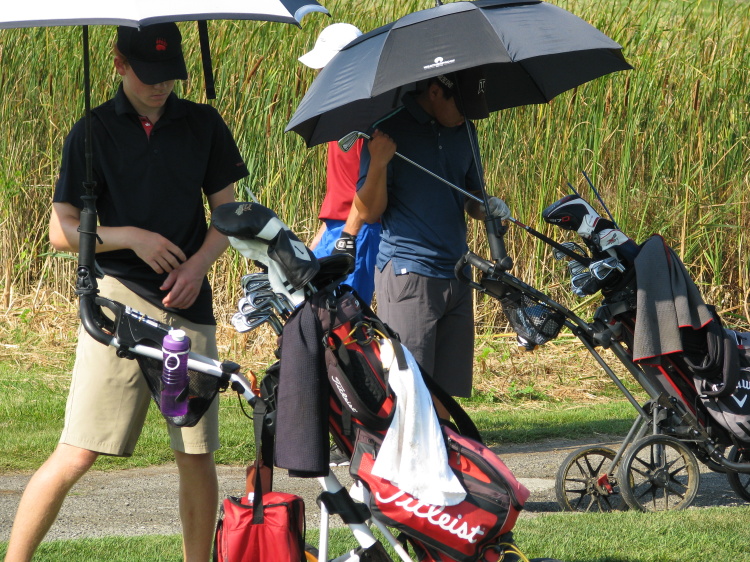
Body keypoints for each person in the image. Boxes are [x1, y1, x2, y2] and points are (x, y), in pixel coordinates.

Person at [4, 23, 248, 562]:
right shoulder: (90, 132)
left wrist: (198, 267)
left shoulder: (204, 124)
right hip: (116, 305)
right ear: (118, 63)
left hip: (188, 304)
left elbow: (229, 216)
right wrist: (131, 237)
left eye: (169, 75)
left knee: (196, 453)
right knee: (78, 451)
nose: (160, 86)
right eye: (148, 74)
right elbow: (61, 230)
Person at [355, 71, 510, 418]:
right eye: (462, 108)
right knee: (410, 389)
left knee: (445, 394)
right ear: (436, 91)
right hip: (409, 272)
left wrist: (486, 207)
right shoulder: (387, 131)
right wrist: (378, 162)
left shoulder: (465, 130)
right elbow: (369, 212)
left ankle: (443, 449)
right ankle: (408, 453)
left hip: (457, 272)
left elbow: (471, 196)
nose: (466, 117)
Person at [298, 23, 381, 306]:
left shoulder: (365, 116)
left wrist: (349, 235)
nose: (319, 74)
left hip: (357, 229)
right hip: (336, 228)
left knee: (346, 312)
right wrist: (322, 235)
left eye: (325, 67)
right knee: (314, 308)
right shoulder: (338, 114)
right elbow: (342, 186)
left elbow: (370, 186)